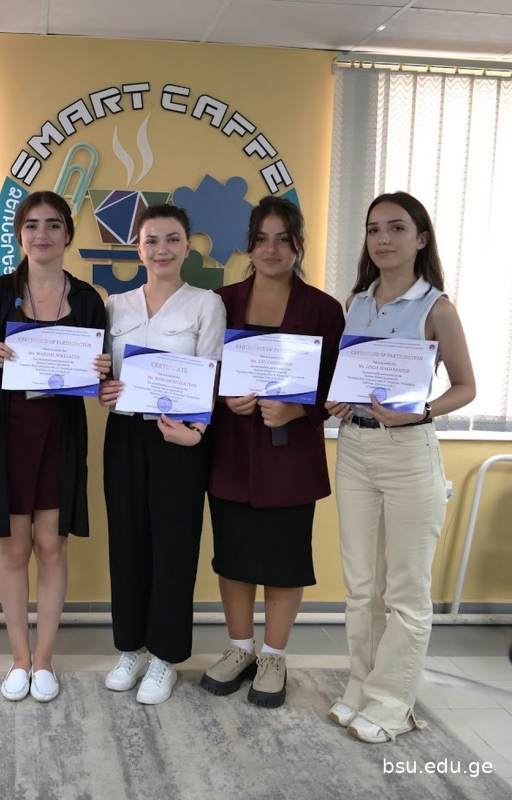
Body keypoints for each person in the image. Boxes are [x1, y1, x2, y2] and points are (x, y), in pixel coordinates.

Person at [325, 191, 475, 743]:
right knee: (361, 586)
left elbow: (466, 386)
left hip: (409, 454)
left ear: (420, 238)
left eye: (396, 228)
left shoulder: (437, 308)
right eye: (373, 229)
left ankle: (391, 703)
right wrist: (339, 400)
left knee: (406, 589)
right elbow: (352, 375)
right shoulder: (357, 302)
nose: (383, 239)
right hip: (355, 449)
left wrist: (422, 411)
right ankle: (361, 686)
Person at [200, 196, 344, 708]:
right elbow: (201, 370)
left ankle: (274, 656)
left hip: (290, 455)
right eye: (262, 239)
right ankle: (240, 649)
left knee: (284, 559)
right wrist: (224, 398)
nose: (272, 249)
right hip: (232, 449)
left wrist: (298, 411)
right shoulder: (219, 302)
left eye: (283, 239)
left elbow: (339, 386)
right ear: (249, 245)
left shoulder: (323, 309)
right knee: (234, 556)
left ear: (298, 245)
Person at [0, 190, 109, 703]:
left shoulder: (89, 300)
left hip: (60, 434)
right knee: (14, 547)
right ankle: (18, 659)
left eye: (53, 224)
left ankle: (45, 660)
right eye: (31, 225)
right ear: (19, 235)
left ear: (68, 234)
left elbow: (104, 381)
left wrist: (103, 370)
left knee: (52, 545)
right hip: (8, 432)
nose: (42, 234)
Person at [99, 204, 226, 705]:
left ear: (187, 246)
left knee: (174, 545)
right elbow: (102, 372)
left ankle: (166, 656)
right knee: (127, 542)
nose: (162, 249)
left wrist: (197, 432)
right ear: (138, 249)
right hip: (125, 434)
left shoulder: (206, 304)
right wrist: (102, 388)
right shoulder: (115, 305)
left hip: (179, 439)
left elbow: (213, 373)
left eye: (172, 239)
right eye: (151, 240)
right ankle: (131, 647)